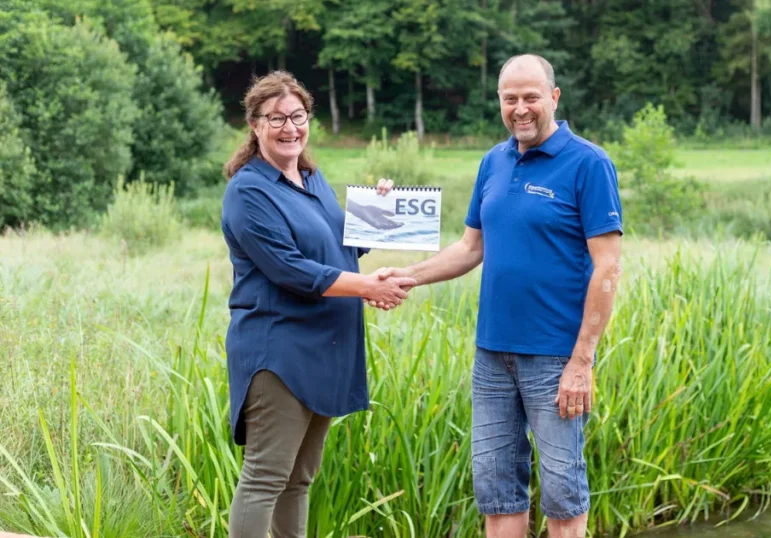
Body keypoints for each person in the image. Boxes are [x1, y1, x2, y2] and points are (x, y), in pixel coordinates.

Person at [375, 54, 623, 538]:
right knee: (497, 492)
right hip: (492, 357)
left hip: (555, 358)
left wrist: (582, 361)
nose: (521, 109)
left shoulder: (588, 163)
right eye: (510, 99)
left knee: (562, 495)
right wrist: (407, 275)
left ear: (553, 97)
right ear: (500, 102)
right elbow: (471, 247)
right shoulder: (494, 160)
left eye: (531, 97)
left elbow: (608, 267)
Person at [219, 71, 415, 538]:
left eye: (298, 116)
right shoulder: (248, 191)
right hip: (279, 353)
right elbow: (291, 270)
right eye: (277, 118)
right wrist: (369, 287)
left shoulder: (310, 177)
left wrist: (381, 206)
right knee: (266, 478)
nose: (290, 128)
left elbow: (341, 243)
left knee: (299, 480)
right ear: (255, 124)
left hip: (326, 348)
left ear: (309, 118)